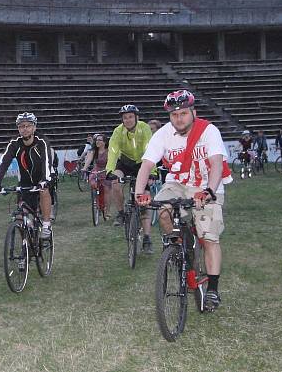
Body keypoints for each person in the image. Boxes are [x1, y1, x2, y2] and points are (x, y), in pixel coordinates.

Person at [135, 90, 232, 312]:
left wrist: (209, 191)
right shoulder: (162, 134)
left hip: (207, 184)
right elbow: (147, 166)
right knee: (162, 210)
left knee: (209, 236)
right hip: (177, 183)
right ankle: (178, 248)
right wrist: (139, 193)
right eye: (174, 114)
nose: (179, 119)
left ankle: (213, 290)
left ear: (193, 112)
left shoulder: (208, 131)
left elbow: (217, 163)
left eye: (183, 113)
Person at [0, 112, 54, 239]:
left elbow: (46, 161)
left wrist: (45, 180)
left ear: (34, 127)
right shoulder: (15, 143)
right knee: (20, 217)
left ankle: (46, 224)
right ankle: (27, 246)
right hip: (25, 182)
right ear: (18, 128)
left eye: (28, 126)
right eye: (21, 126)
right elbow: (4, 162)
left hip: (43, 177)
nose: (25, 129)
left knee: (44, 191)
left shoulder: (41, 142)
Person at [105, 104, 155, 254]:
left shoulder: (144, 128)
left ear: (136, 117)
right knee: (115, 182)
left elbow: (150, 149)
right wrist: (109, 170)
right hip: (125, 162)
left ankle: (147, 238)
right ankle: (121, 213)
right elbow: (113, 150)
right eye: (125, 117)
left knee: (145, 201)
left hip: (143, 163)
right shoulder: (118, 131)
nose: (127, 120)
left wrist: (152, 172)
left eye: (130, 117)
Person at [81, 133, 112, 218]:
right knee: (93, 182)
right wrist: (85, 168)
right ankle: (96, 200)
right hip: (96, 170)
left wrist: (109, 169)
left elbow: (111, 162)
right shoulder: (93, 151)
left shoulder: (108, 151)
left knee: (107, 191)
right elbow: (89, 159)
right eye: (96, 140)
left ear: (104, 142)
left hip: (106, 170)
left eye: (99, 140)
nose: (97, 142)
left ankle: (107, 211)